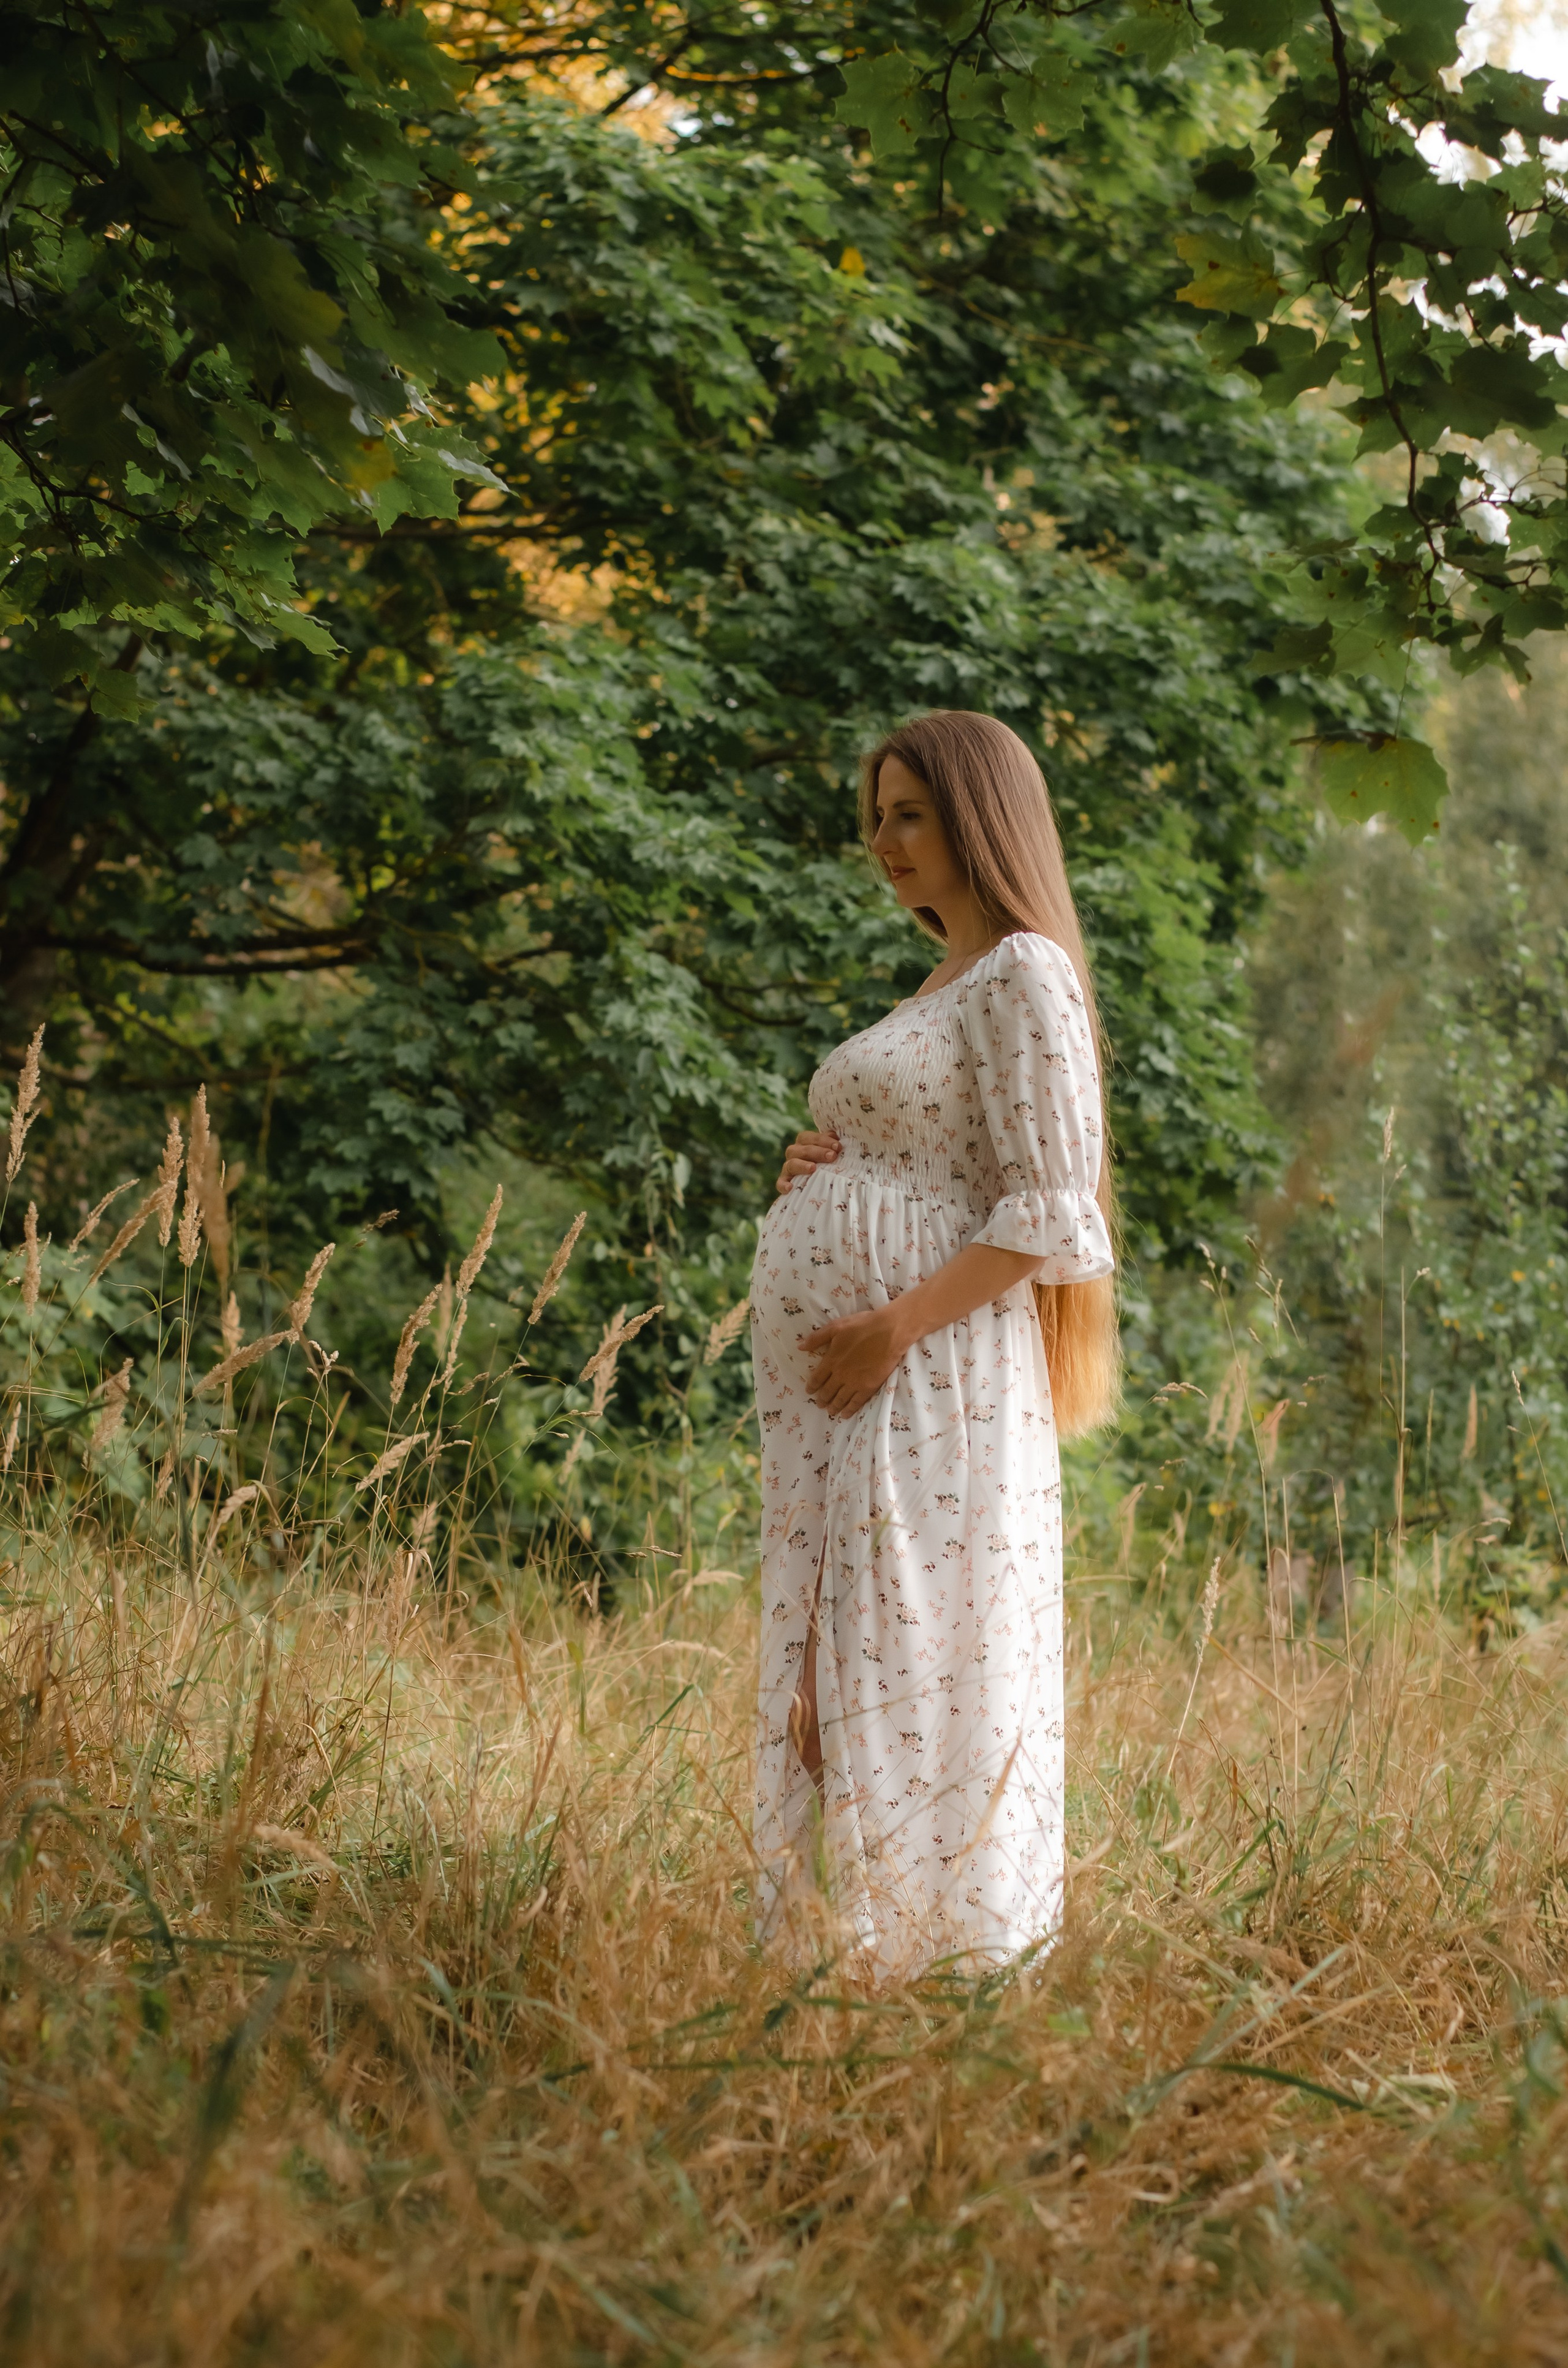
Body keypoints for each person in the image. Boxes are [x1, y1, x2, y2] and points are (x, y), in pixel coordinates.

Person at [748, 709, 1117, 1980]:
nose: (882, 839)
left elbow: (1049, 1215)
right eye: (875, 815)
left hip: (931, 1384)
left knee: (901, 1661)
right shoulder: (937, 986)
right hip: (853, 1396)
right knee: (828, 1681)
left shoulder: (1024, 970)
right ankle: (843, 1970)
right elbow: (938, 1165)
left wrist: (892, 1327)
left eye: (910, 812)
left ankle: (925, 1971)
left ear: (978, 816)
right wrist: (818, 1168)